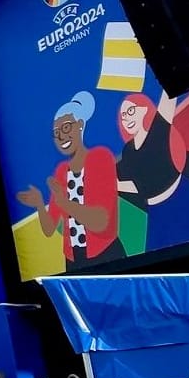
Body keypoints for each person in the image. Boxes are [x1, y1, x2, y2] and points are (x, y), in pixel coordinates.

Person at [16, 91, 124, 271]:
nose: (61, 137)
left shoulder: (100, 158)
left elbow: (101, 222)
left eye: (65, 128)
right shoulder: (61, 172)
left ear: (80, 125)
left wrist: (65, 203)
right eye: (56, 133)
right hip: (74, 262)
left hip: (106, 256)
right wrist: (40, 204)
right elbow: (50, 228)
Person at [115, 90, 189, 252]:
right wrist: (112, 186)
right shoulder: (128, 151)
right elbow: (139, 186)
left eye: (131, 110)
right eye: (124, 115)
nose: (127, 117)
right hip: (157, 213)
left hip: (182, 199)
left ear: (145, 109)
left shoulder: (158, 131)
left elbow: (168, 99)